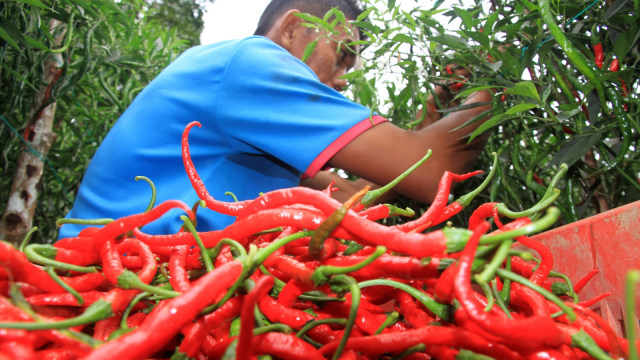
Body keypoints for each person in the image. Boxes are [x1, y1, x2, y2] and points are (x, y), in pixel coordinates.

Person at [57, 0, 492, 239]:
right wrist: (496, 87)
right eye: (340, 57)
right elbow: (431, 170)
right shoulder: (252, 62)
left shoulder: (260, 125)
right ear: (292, 28)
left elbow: (360, 198)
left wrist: (436, 116)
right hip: (112, 269)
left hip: (143, 272)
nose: (341, 81)